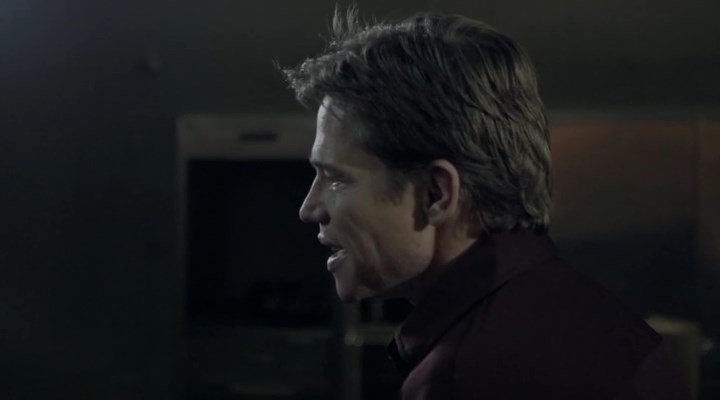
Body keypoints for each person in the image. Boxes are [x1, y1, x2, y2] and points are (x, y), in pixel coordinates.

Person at [282, 7, 691, 400]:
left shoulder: (469, 375)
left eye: (336, 178)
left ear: (437, 194)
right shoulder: (593, 321)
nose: (309, 208)